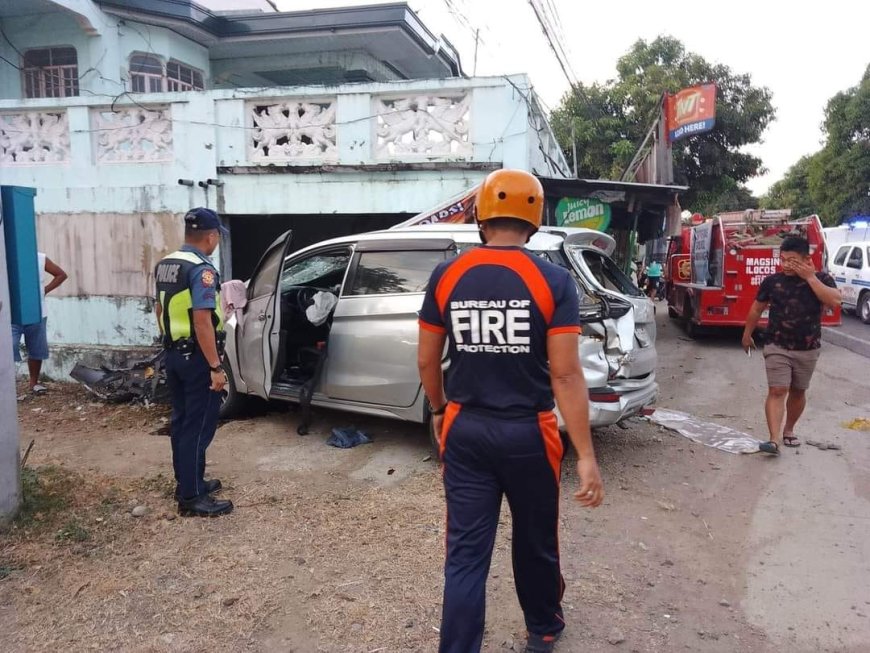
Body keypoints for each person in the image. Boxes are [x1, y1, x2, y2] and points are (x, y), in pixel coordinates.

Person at [417, 169, 604, 653]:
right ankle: (542, 631)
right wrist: (584, 453)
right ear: (535, 219)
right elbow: (565, 375)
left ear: (480, 215)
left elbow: (425, 358)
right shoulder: (553, 281)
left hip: (465, 427)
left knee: (464, 555)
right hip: (530, 432)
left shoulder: (447, 274)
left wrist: (439, 411)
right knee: (535, 539)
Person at [155, 208, 233, 517]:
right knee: (198, 427)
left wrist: (172, 343)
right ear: (211, 236)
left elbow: (160, 311)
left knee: (183, 422)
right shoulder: (202, 269)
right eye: (217, 238)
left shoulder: (166, 264)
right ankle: (191, 496)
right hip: (198, 357)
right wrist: (215, 367)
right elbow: (202, 321)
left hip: (174, 353)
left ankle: (188, 481)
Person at [742, 236, 840, 454]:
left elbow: (834, 301)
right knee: (778, 390)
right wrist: (747, 334)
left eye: (792, 260)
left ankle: (789, 429)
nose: (785, 264)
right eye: (783, 259)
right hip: (777, 345)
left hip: (808, 347)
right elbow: (757, 308)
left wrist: (810, 277)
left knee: (798, 391)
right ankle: (774, 440)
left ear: (807, 259)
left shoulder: (822, 279)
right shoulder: (772, 282)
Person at [11, 252, 67, 394]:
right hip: (11, 313)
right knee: (8, 347)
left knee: (36, 348)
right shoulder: (6, 257)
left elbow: (61, 274)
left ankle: (34, 383)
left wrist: (43, 291)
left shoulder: (40, 258)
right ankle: (8, 387)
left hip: (36, 312)